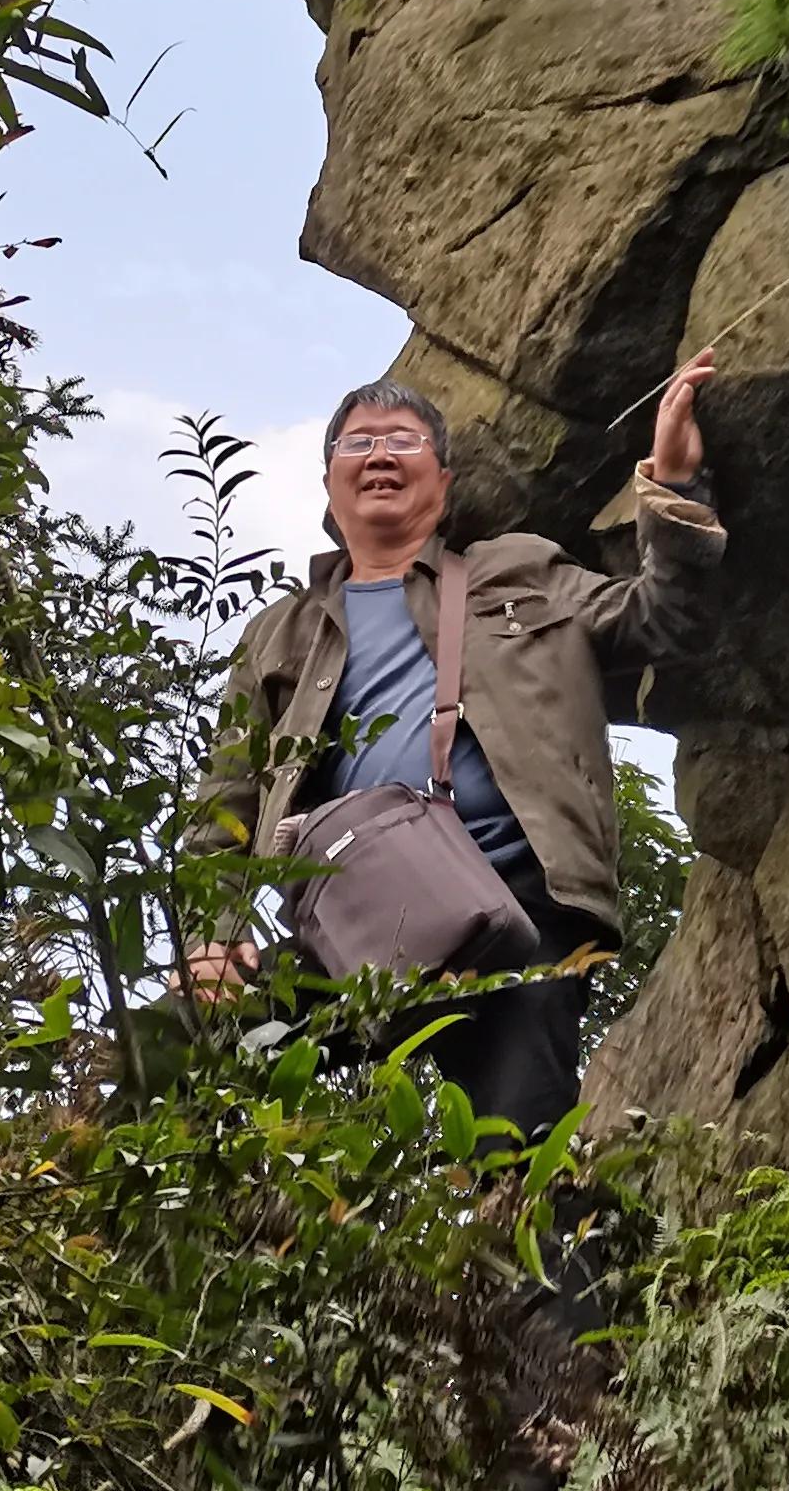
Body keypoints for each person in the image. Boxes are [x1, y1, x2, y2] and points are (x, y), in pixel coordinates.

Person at [187, 357, 725, 1134]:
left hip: (526, 901)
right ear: (330, 489)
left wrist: (674, 486)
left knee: (517, 1142)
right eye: (357, 443)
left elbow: (665, 620)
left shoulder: (520, 571)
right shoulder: (281, 634)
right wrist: (213, 937)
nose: (379, 454)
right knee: (177, 1052)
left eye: (402, 441)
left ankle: (537, 1211)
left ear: (442, 485)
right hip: (363, 921)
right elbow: (225, 805)